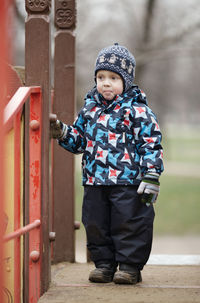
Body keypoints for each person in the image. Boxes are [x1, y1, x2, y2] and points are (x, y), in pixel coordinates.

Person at [50, 43, 164, 285]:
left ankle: (130, 267)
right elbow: (80, 141)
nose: (106, 83)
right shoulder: (89, 109)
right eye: (101, 77)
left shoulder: (138, 111)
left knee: (130, 223)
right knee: (96, 223)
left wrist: (151, 174)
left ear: (126, 81)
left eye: (113, 77)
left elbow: (150, 143)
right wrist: (62, 133)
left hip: (129, 181)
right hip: (95, 180)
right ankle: (104, 265)